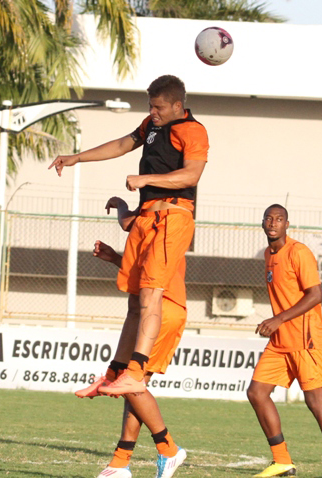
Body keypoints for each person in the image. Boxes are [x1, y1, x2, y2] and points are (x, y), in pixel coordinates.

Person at [48, 74, 207, 398]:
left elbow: (192, 174)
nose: (154, 112)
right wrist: (77, 158)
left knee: (150, 297)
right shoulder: (151, 125)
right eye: (151, 106)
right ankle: (113, 374)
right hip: (147, 217)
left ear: (178, 105)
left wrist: (144, 178)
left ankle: (136, 372)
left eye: (159, 107)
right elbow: (122, 144)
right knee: (136, 303)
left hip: (173, 216)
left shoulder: (194, 130)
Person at [247, 204, 322, 478]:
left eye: (279, 219)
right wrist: (279, 324)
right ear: (262, 223)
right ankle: (282, 461)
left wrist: (278, 319)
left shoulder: (299, 252)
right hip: (281, 341)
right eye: (269, 218)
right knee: (257, 393)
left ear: (287, 224)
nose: (273, 223)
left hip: (306, 338)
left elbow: (315, 295)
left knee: (315, 401)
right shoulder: (269, 255)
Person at [79, 234, 187, 478]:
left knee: (133, 385)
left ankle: (168, 448)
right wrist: (118, 258)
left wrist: (122, 209)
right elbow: (144, 272)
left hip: (161, 312)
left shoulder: (164, 226)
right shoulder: (150, 228)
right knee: (129, 387)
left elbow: (155, 273)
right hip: (145, 314)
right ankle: (120, 463)